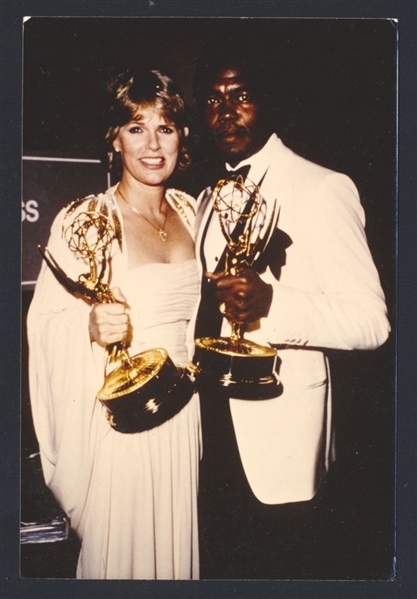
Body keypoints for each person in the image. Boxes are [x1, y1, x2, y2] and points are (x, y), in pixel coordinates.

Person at [190, 42, 391, 579]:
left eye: (242, 96)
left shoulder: (322, 186)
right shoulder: (206, 198)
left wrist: (273, 304)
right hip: (211, 429)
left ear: (270, 103)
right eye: (213, 99)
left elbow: (373, 323)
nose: (226, 111)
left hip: (281, 436)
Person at [27, 68, 201, 579]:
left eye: (165, 128)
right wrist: (88, 327)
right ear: (114, 137)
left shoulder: (195, 213)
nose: (152, 144)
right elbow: (46, 323)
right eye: (136, 127)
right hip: (122, 427)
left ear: (181, 137)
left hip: (186, 419)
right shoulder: (86, 220)